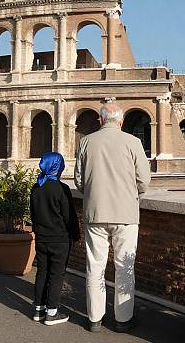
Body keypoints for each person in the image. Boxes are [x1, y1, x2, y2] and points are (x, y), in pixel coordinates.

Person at [75, 102, 151, 333]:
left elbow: (79, 180)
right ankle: (122, 319)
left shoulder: (86, 142)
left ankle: (94, 319)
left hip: (96, 212)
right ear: (121, 121)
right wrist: (130, 193)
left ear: (100, 120)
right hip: (125, 213)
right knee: (124, 266)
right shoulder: (133, 142)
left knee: (94, 266)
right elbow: (144, 180)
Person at [30, 151, 80, 326]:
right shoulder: (62, 189)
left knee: (42, 272)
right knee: (57, 275)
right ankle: (52, 313)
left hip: (42, 238)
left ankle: (38, 309)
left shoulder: (36, 187)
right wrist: (75, 235)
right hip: (59, 239)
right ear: (57, 167)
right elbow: (69, 217)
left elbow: (33, 214)